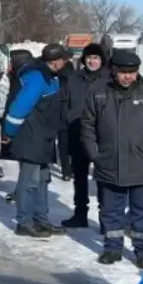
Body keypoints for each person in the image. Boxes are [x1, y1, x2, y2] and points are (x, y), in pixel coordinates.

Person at [82, 49, 143, 268]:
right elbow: (87, 128)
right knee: (111, 210)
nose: (128, 76)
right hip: (109, 164)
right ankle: (112, 248)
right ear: (113, 71)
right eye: (123, 72)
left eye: (132, 72)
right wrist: (95, 155)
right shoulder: (98, 94)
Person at [3, 43, 70, 239]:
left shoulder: (50, 76)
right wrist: (9, 131)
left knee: (42, 180)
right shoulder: (37, 77)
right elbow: (19, 107)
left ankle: (41, 220)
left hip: (43, 136)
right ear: (56, 61)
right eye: (64, 60)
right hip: (31, 136)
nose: (66, 63)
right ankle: (24, 222)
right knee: (29, 181)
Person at [60, 43, 108, 228]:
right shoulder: (74, 79)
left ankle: (106, 219)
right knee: (79, 177)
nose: (92, 61)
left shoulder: (108, 79)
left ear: (101, 60)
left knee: (103, 178)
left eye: (96, 58)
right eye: (89, 57)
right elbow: (64, 101)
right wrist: (68, 118)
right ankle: (80, 214)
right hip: (77, 132)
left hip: (102, 136)